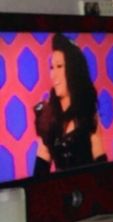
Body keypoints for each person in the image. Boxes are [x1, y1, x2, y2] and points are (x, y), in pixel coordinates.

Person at [32, 32, 106, 175]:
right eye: (52, 67)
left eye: (59, 66)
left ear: (73, 70)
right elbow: (39, 173)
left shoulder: (88, 114)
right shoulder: (47, 117)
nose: (53, 75)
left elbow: (101, 166)